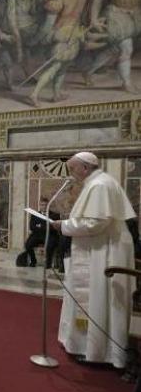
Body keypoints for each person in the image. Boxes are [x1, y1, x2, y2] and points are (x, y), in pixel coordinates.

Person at [51, 152, 137, 368]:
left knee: (99, 298)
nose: (72, 174)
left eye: (73, 169)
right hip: (99, 250)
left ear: (85, 167)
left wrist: (64, 226)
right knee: (97, 299)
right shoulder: (99, 182)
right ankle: (86, 346)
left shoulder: (99, 185)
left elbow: (96, 223)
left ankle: (99, 350)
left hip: (104, 254)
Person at [17, 197, 60, 268]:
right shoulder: (35, 215)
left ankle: (48, 263)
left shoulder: (54, 215)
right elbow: (32, 227)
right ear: (40, 205)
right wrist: (44, 226)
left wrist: (40, 226)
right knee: (28, 245)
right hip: (37, 235)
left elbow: (54, 228)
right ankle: (33, 261)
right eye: (42, 205)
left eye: (46, 205)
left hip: (50, 235)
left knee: (50, 245)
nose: (44, 207)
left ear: (48, 205)